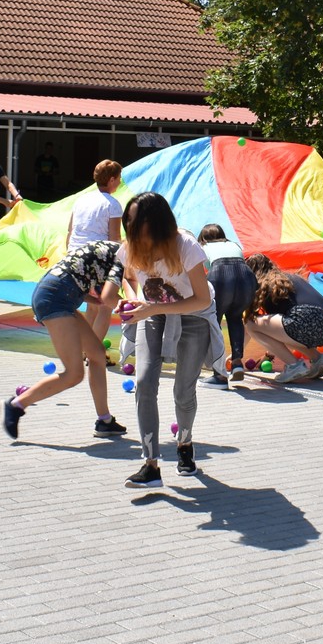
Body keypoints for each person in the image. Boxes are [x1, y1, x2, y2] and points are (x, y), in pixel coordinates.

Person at [116, 192, 216, 489]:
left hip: (193, 315)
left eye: (135, 220)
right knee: (144, 383)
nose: (129, 225)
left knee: (183, 391)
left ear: (156, 222)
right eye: (127, 219)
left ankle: (184, 444)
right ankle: (150, 465)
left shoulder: (186, 246)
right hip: (153, 313)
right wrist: (133, 300)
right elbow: (129, 278)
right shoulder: (129, 248)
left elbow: (202, 298)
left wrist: (152, 308)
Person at [1, 238, 128, 442]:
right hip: (55, 300)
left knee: (96, 354)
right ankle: (16, 405)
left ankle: (104, 421)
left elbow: (74, 274)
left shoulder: (114, 250)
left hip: (58, 295)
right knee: (74, 374)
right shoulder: (124, 256)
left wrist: (91, 298)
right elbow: (109, 297)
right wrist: (139, 310)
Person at [248, 268, 323, 384]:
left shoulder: (267, 286)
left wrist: (236, 357)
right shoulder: (290, 277)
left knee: (250, 324)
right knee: (289, 328)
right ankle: (319, 359)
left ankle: (293, 365)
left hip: (305, 324)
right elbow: (280, 331)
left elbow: (273, 331)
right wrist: (268, 355)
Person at [199, 224, 254, 385]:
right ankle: (237, 363)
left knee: (214, 322)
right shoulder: (234, 244)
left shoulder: (204, 246)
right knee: (235, 318)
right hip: (245, 277)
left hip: (220, 275)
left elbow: (206, 269)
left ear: (203, 238)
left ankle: (219, 374)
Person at [66, 160, 123, 249]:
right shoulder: (113, 204)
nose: (120, 182)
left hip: (73, 253)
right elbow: (114, 240)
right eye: (119, 178)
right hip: (96, 254)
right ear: (112, 180)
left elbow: (70, 232)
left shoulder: (80, 200)